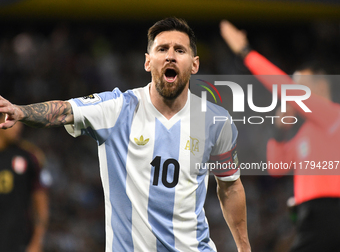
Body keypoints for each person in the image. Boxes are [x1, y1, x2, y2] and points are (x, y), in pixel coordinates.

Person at [0, 18, 251, 252]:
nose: (171, 56)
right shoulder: (117, 109)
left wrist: (244, 248)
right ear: (147, 61)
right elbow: (64, 111)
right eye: (162, 49)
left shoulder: (216, 121)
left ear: (194, 64)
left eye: (180, 50)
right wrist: (20, 111)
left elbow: (230, 187)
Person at [220, 20, 340, 251]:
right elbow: (277, 166)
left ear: (321, 85)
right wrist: (279, 131)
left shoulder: (333, 117)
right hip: (309, 217)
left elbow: (281, 84)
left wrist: (246, 53)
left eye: (300, 85)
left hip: (330, 211)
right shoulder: (307, 132)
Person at [0, 119, 49, 252]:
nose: (18, 128)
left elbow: (40, 203)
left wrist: (37, 241)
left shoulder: (29, 157)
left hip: (18, 240)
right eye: (12, 121)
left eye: (19, 123)